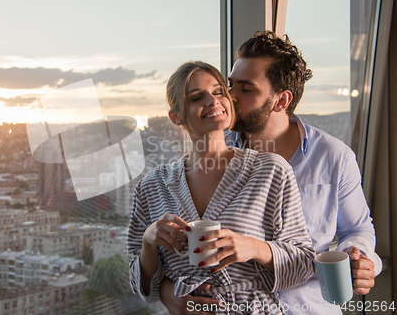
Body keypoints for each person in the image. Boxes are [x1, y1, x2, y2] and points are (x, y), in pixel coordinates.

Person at [159, 31, 382, 314]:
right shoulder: (212, 151)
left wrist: (362, 257)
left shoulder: (333, 156)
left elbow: (357, 228)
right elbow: (175, 247)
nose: (230, 97)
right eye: (230, 84)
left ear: (281, 101)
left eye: (246, 88)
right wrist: (167, 291)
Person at [128, 61, 316, 315]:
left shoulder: (270, 170)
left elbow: (304, 263)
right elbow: (142, 287)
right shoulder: (151, 187)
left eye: (219, 92)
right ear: (176, 117)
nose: (213, 101)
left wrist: (253, 247)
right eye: (196, 97)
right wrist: (149, 241)